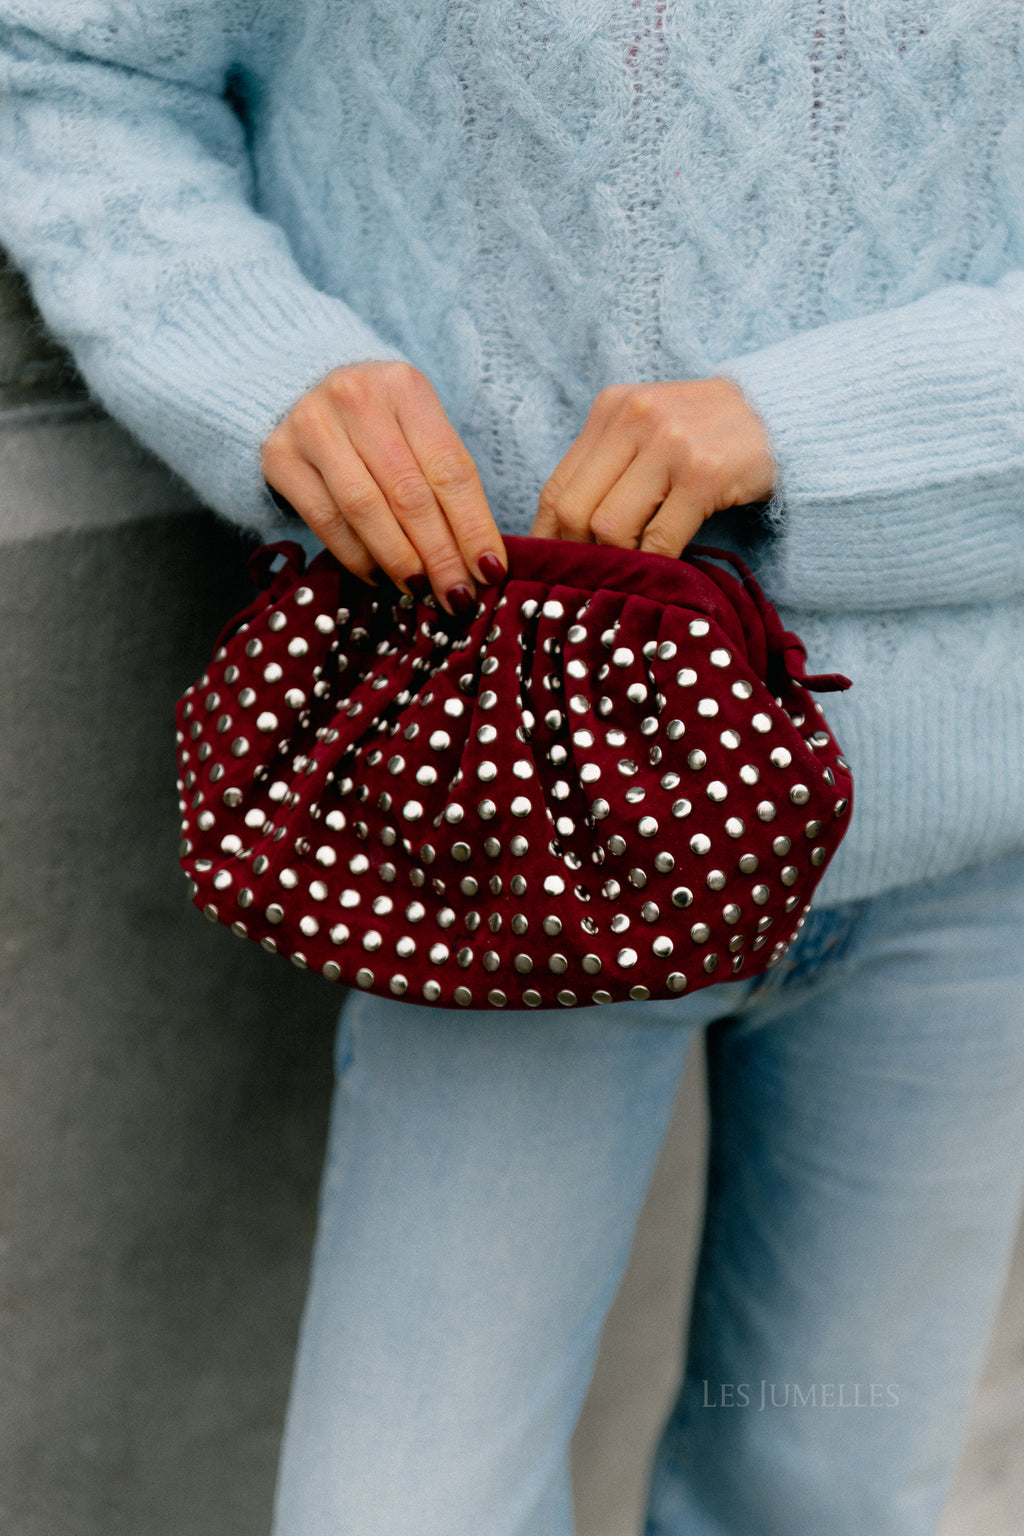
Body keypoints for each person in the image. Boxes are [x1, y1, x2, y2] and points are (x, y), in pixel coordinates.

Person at [2, 4, 1023, 1533]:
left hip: (973, 841)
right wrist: (266, 366)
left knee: (825, 1489)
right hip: (497, 830)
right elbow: (72, 73)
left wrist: (822, 427)